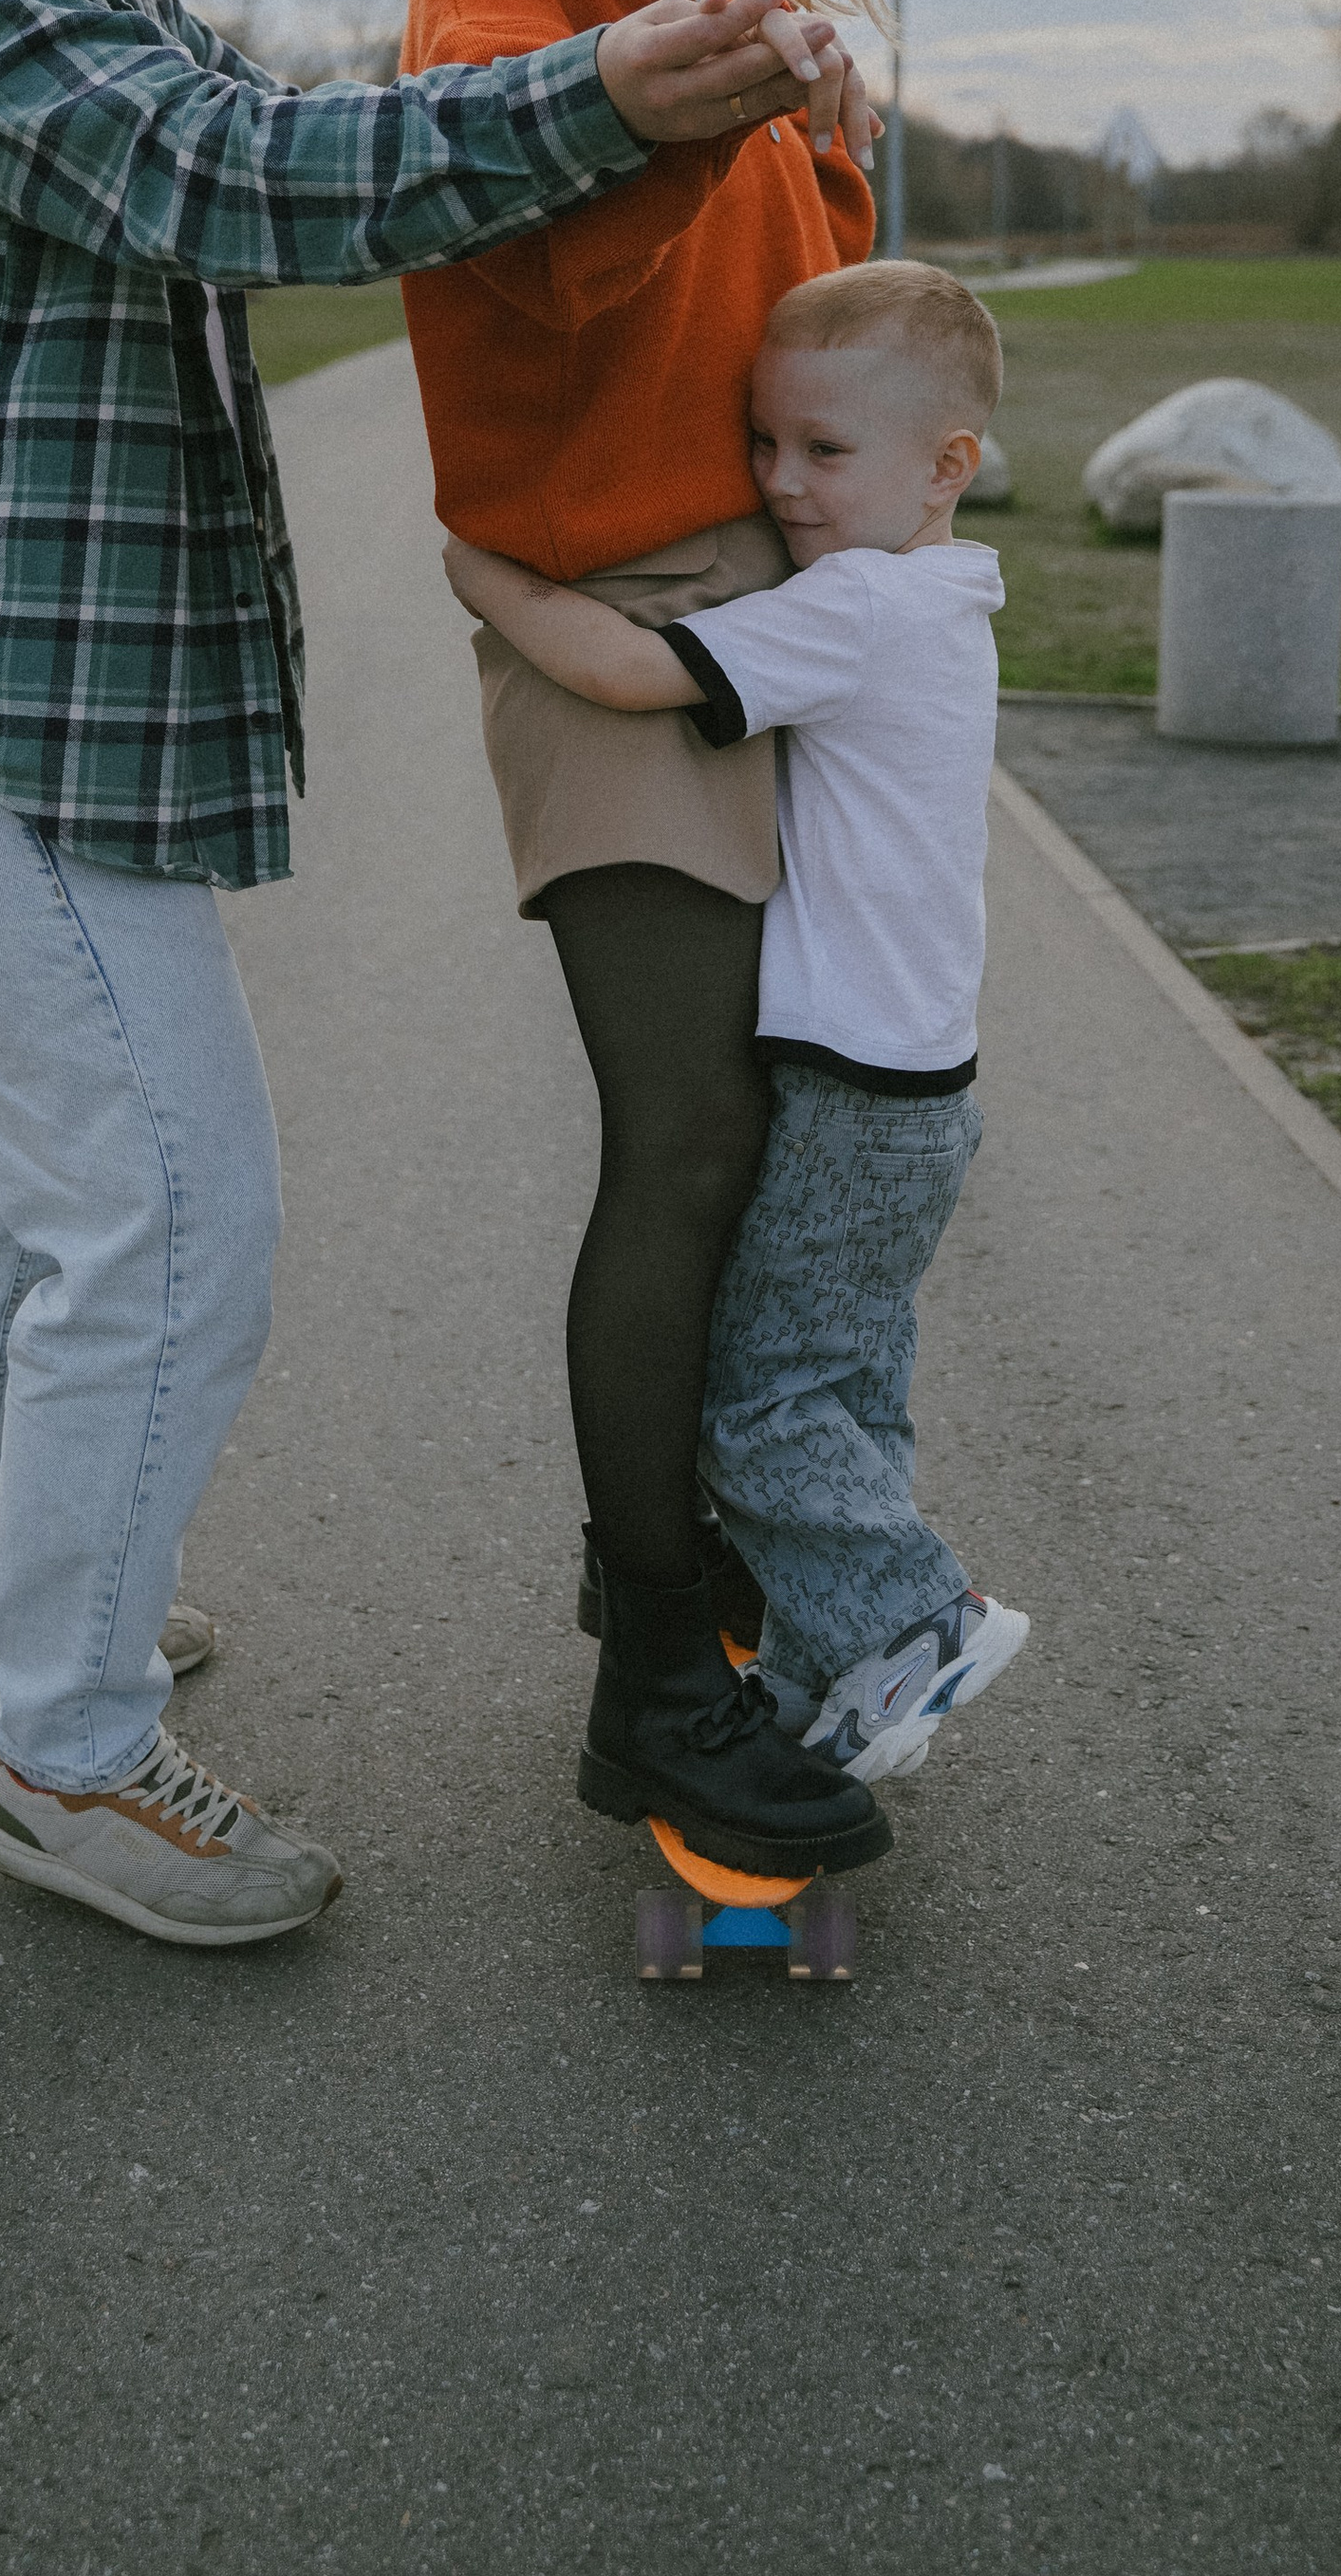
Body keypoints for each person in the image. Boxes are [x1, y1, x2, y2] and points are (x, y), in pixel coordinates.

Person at [0, 0, 843, 1949]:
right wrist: (605, 98)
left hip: (53, 705)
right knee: (172, 1212)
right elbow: (230, 174)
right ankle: (76, 1749)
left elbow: (246, 145)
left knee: (5, 1177)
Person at [400, 0, 901, 1880]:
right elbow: (509, 251)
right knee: (682, 1136)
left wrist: (823, 148)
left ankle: (672, 1600)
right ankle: (647, 1679)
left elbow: (783, 332)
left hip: (756, 627)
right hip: (608, 618)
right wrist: (684, 105)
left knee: (766, 1142)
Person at [443, 261, 1031, 1787]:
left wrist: (491, 571)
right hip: (919, 1088)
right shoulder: (950, 593)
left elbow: (638, 670)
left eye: (825, 454)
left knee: (757, 1403)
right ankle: (839, 1663)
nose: (781, 483)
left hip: (848, 1093)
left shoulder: (854, 607)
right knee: (842, 1383)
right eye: (768, 444)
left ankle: (919, 1617)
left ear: (946, 465)